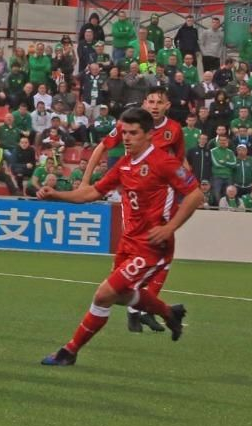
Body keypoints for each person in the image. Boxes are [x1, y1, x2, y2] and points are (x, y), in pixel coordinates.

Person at [38, 107, 204, 365]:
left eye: (133, 133)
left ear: (149, 134)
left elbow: (195, 195)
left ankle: (68, 352)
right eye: (124, 132)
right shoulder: (124, 165)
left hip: (152, 246)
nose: (126, 138)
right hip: (128, 242)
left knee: (104, 295)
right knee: (120, 296)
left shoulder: (163, 162)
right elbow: (92, 193)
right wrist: (55, 195)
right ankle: (169, 312)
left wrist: (169, 227)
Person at [77, 87, 184, 332]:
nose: (155, 106)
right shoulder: (129, 124)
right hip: (134, 195)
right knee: (141, 253)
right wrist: (85, 180)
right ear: (145, 102)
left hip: (160, 193)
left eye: (160, 102)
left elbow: (179, 161)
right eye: (151, 101)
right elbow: (102, 147)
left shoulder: (174, 130)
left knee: (160, 250)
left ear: (167, 105)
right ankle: (142, 308)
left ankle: (140, 310)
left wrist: (183, 184)